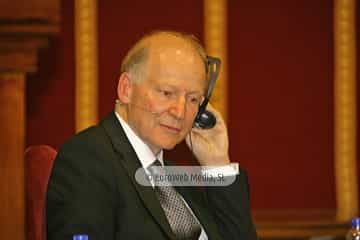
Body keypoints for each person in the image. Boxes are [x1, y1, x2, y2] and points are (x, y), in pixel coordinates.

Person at [46, 30, 257, 240]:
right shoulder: (88, 159)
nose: (180, 113)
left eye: (193, 99)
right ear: (126, 89)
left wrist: (217, 164)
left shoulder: (178, 180)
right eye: (167, 93)